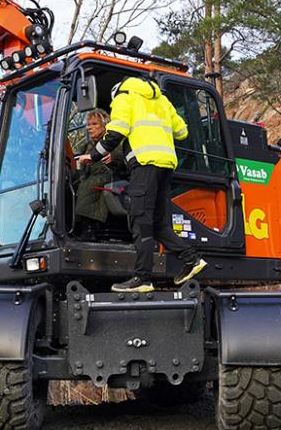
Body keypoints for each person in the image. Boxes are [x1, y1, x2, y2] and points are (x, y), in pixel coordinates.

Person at [76, 76, 206, 293]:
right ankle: (192, 259)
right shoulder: (162, 101)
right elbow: (182, 132)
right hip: (166, 165)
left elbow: (116, 132)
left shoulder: (124, 97)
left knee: (140, 221)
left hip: (144, 165)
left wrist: (93, 155)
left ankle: (143, 278)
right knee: (157, 224)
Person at [71, 109, 127, 239]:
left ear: (105, 125)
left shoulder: (113, 143)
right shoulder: (86, 147)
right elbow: (80, 171)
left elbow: (121, 155)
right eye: (88, 125)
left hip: (110, 181)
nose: (89, 128)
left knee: (88, 186)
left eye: (94, 124)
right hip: (90, 179)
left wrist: (115, 156)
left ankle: (89, 228)